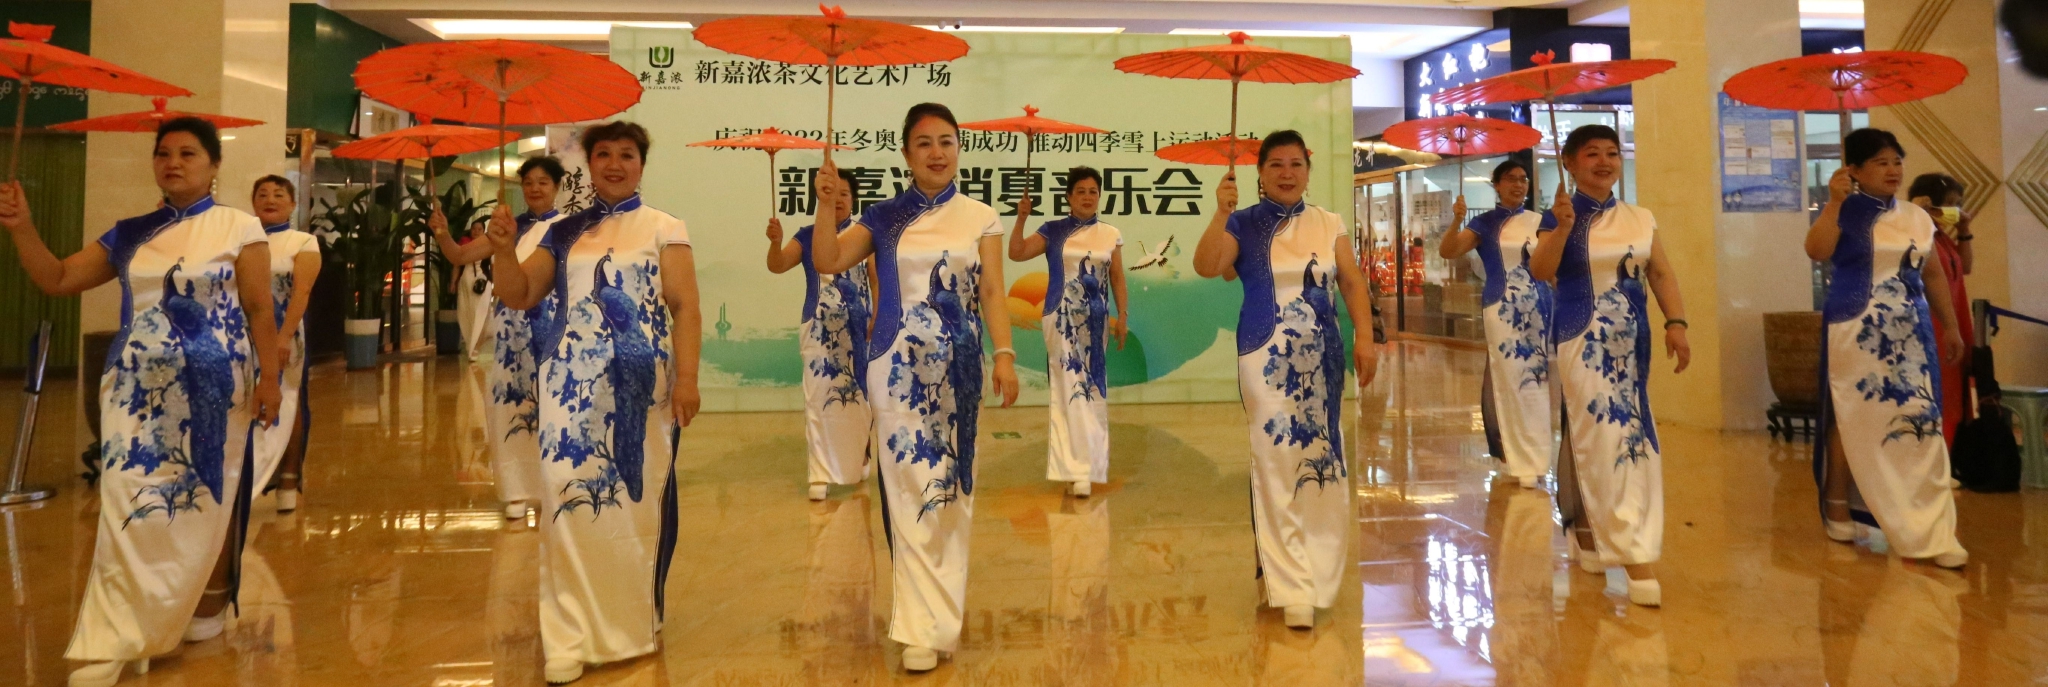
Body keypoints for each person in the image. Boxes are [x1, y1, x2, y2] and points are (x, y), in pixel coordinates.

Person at [0, 117, 283, 686]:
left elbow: (257, 309)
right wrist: (22, 227)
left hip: (215, 390)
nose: (172, 162)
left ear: (212, 165)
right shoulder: (131, 232)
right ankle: (118, 637)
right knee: (128, 504)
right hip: (135, 390)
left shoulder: (239, 226)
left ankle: (177, 618)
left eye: (187, 153)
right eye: (163, 154)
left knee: (198, 507)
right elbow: (57, 278)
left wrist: (270, 378)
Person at [807, 102, 1020, 672]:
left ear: (959, 148)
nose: (936, 152)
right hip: (894, 371)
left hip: (961, 372)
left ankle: (940, 621)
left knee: (951, 489)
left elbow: (994, 294)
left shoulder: (981, 217)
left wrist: (1004, 354)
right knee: (906, 488)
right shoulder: (880, 219)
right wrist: (826, 205)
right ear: (906, 154)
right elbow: (827, 258)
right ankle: (919, 628)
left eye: (946, 141)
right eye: (924, 143)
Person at [487, 122, 701, 684]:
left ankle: (635, 619)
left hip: (643, 388)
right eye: (602, 154)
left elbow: (685, 308)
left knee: (638, 499)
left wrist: (688, 379)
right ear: (588, 162)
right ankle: (568, 632)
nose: (613, 164)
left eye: (625, 155)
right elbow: (519, 294)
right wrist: (504, 249)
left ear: (640, 164)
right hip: (567, 388)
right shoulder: (559, 231)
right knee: (563, 492)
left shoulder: (664, 227)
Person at [1190, 130, 1379, 630]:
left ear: (1309, 171)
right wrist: (1219, 212)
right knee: (1275, 460)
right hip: (1265, 358)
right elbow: (1208, 267)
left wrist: (1366, 336)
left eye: (1297, 163)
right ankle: (1289, 583)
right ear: (1260, 172)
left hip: (1324, 360)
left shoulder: (1329, 222)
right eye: (1276, 164)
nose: (1288, 172)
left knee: (1324, 459)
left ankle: (1317, 572)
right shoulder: (1243, 223)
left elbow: (1353, 282)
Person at [1528, 124, 1690, 608]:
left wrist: (1676, 322)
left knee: (1627, 435)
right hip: (1581, 338)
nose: (1604, 161)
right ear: (1570, 163)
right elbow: (1541, 272)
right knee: (1604, 434)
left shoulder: (1640, 217)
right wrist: (1559, 229)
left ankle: (1588, 532)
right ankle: (1635, 554)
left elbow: (1660, 271)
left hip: (1631, 344)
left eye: (1612, 153)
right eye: (1592, 154)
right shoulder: (1557, 214)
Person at [1807, 128, 1968, 569]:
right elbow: (1816, 250)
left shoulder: (1918, 218)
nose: (1893, 169)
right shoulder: (1846, 210)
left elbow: (1932, 274)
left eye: (1896, 160)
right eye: (1880, 162)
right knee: (1852, 414)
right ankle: (1838, 502)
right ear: (1854, 171)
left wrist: (1950, 326)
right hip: (1855, 327)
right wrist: (1835, 202)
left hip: (1912, 334)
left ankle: (1930, 528)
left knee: (1919, 421)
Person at [435, 156, 569, 520]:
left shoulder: (569, 229)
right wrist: (442, 233)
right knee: (510, 408)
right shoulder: (506, 229)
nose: (535, 188)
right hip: (511, 337)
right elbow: (461, 255)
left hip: (553, 332)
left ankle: (553, 486)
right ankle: (515, 490)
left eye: (543, 182)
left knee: (553, 409)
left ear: (557, 187)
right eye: (529, 182)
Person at [1008, 166, 1129, 497]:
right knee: (1068, 389)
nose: (1088, 197)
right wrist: (1020, 219)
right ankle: (1077, 471)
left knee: (1093, 389)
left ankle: (1089, 466)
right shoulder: (1053, 230)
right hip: (1060, 320)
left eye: (1093, 191)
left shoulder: (1110, 233)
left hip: (1096, 322)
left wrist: (1123, 315)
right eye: (1081, 192)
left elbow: (1117, 277)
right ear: (1068, 197)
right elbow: (1016, 253)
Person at [1438, 160, 1552, 489]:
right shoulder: (1483, 223)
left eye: (1524, 179)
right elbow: (1449, 251)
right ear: (1497, 185)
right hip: (1502, 308)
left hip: (1540, 308)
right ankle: (1514, 457)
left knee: (1537, 382)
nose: (1519, 185)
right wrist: (1456, 219)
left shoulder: (1541, 220)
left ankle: (1538, 456)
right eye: (1511, 180)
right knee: (1509, 381)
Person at [766, 168, 876, 501]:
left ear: (853, 198)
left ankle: (860, 458)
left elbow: (875, 280)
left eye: (845, 193)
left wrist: (878, 315)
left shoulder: (864, 234)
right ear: (820, 195)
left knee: (860, 401)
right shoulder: (807, 234)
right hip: (817, 330)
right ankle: (820, 473)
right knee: (818, 399)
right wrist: (774, 243)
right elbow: (778, 264)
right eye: (833, 192)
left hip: (859, 329)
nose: (839, 199)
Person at [248, 175, 320, 513]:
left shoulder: (302, 242)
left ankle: (289, 477)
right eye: (262, 194)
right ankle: (247, 476)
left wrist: (283, 336)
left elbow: (301, 293)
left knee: (289, 400)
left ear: (292, 204)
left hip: (286, 335)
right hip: (244, 335)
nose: (270, 199)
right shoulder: (241, 242)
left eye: (279, 194)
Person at [1906, 173, 1976, 451]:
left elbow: (1966, 266)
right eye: (1949, 204)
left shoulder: (1943, 238)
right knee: (1938, 389)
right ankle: (1936, 455)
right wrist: (1916, 214)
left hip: (1954, 317)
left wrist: (1965, 229)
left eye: (1958, 204)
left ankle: (1953, 453)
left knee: (1955, 387)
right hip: (1932, 320)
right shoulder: (1920, 234)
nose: (1955, 210)